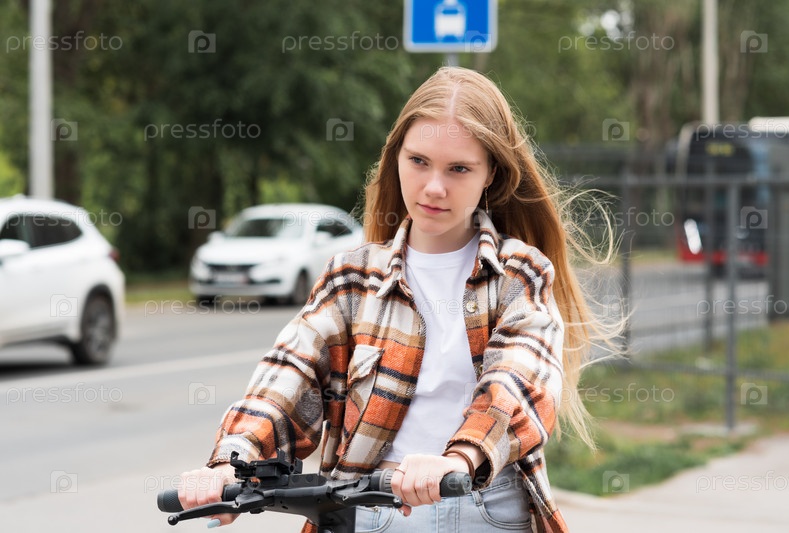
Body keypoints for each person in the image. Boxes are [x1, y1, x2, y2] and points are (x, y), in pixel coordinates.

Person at [178, 66, 606, 533]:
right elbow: (287, 378)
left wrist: (459, 459)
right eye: (419, 161)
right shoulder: (350, 279)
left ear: (491, 175)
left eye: (459, 168)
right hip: (372, 513)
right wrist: (232, 464)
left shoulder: (519, 273)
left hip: (484, 508)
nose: (434, 186)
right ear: (396, 157)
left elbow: (518, 381)